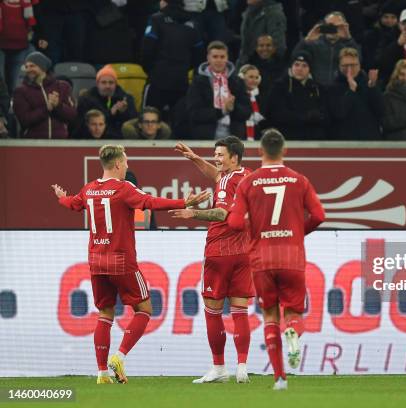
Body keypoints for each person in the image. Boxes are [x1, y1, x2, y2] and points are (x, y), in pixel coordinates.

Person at [51, 145, 208, 385]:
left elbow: (72, 204)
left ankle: (102, 373)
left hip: (96, 261)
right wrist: (183, 202)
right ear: (116, 165)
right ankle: (119, 357)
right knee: (144, 310)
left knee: (105, 314)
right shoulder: (123, 188)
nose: (127, 166)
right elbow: (149, 202)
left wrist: (61, 198)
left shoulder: (89, 189)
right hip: (121, 260)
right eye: (125, 162)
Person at [227, 128, 325, 390]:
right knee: (292, 312)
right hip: (292, 255)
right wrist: (296, 232)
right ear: (284, 151)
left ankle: (279, 378)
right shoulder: (299, 180)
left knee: (270, 314)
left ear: (260, 152)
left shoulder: (249, 182)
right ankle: (292, 330)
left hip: (262, 258)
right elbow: (319, 216)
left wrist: (257, 230)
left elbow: (234, 222)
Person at [170, 137, 254, 384]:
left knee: (212, 311)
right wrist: (195, 158)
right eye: (215, 154)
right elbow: (217, 176)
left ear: (234, 157)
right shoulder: (246, 175)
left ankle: (218, 367)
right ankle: (242, 367)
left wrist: (193, 212)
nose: (216, 159)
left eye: (220, 155)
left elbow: (222, 213)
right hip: (244, 251)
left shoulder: (228, 180)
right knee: (240, 310)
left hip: (220, 250)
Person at [186, 41, 250, 139]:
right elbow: (194, 113)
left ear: (227, 58)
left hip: (234, 140)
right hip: (205, 138)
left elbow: (246, 112)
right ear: (208, 58)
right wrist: (222, 111)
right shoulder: (198, 83)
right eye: (215, 57)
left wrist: (233, 108)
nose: (219, 60)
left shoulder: (238, 82)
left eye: (222, 57)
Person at [12, 51, 77, 139]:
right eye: (26, 67)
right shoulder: (20, 91)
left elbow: (72, 116)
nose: (28, 69)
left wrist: (57, 106)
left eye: (32, 66)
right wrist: (46, 108)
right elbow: (24, 120)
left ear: (43, 67)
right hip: (32, 143)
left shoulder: (63, 86)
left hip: (60, 142)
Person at [77, 65, 138, 139]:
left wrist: (123, 113)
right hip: (92, 140)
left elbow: (134, 122)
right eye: (103, 82)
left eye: (111, 83)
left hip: (119, 140)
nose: (107, 86)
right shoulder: (87, 99)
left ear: (116, 84)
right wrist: (111, 113)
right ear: (97, 84)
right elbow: (82, 125)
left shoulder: (126, 98)